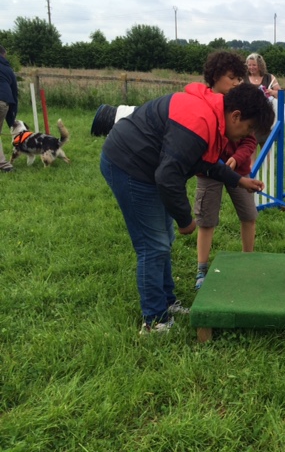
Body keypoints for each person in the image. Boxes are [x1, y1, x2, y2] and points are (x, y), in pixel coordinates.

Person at [100, 82, 274, 334]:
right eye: (248, 128)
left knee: (163, 239)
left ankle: (167, 302)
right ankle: (154, 320)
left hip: (149, 167)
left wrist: (239, 180)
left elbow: (207, 162)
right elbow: (167, 177)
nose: (245, 137)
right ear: (236, 116)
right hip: (128, 165)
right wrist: (185, 220)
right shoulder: (199, 123)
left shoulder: (213, 117)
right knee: (153, 245)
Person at [194, 51, 257, 290]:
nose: (236, 83)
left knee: (249, 215)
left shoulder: (242, 102)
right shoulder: (202, 104)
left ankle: (248, 260)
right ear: (214, 77)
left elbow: (250, 140)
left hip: (239, 171)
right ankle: (201, 269)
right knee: (206, 219)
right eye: (231, 78)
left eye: (239, 78)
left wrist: (236, 158)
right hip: (208, 172)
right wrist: (219, 162)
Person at [0, 45, 18, 173]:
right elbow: (14, 93)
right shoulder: (8, 69)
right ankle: (4, 165)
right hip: (4, 102)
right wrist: (11, 119)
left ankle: (3, 164)